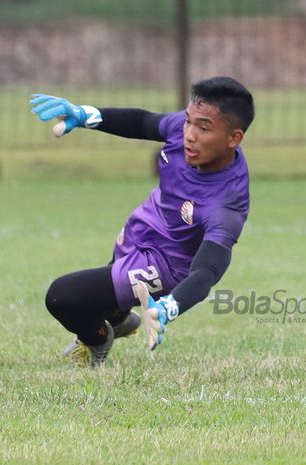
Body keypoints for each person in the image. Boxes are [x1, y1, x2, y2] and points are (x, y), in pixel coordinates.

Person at [29, 76, 254, 367]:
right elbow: (144, 122)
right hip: (150, 219)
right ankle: (117, 320)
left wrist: (170, 306)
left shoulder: (226, 204)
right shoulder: (185, 130)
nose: (189, 134)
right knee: (110, 286)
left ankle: (96, 340)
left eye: (203, 128)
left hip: (167, 263)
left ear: (233, 138)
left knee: (63, 297)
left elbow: (206, 271)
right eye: (188, 121)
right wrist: (85, 115)